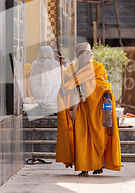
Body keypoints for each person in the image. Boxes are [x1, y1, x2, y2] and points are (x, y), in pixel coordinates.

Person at [56, 42, 121, 177]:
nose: (87, 55)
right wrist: (64, 90)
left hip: (96, 108)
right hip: (79, 108)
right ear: (78, 55)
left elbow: (103, 85)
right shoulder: (70, 70)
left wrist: (105, 93)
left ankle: (98, 165)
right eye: (84, 53)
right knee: (81, 137)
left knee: (98, 137)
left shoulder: (97, 68)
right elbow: (65, 86)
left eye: (88, 53)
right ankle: (84, 168)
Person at [29, 46, 63, 114]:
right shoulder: (54, 63)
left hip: (35, 95)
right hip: (49, 96)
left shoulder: (34, 64)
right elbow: (63, 74)